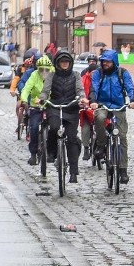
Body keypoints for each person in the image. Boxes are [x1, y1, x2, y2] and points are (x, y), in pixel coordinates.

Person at [89, 49, 134, 184]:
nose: (105, 64)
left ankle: (123, 169)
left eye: (108, 61)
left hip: (119, 106)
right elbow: (93, 88)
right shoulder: (98, 73)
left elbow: (130, 87)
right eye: (103, 61)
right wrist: (93, 101)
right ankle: (101, 144)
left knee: (121, 137)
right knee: (99, 118)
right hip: (103, 104)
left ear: (114, 62)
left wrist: (133, 100)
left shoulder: (122, 73)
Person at [38, 50, 86, 183]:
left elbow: (80, 89)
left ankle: (73, 172)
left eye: (67, 62)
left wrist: (82, 98)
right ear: (57, 63)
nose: (64, 64)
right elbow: (45, 90)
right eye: (62, 62)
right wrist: (42, 99)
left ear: (70, 63)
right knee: (53, 128)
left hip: (71, 108)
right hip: (55, 107)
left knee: (71, 139)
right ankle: (52, 152)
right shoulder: (52, 76)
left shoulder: (76, 75)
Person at [20, 56, 53, 165]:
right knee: (33, 128)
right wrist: (24, 99)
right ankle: (33, 154)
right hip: (36, 105)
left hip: (50, 105)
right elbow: (26, 89)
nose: (44, 72)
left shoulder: (54, 75)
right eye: (41, 69)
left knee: (55, 128)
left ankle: (52, 152)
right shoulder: (34, 75)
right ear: (37, 69)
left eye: (46, 69)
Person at [79, 56, 98, 160]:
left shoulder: (101, 79)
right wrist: (82, 101)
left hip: (98, 107)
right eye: (92, 73)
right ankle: (86, 148)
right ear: (88, 72)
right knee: (85, 128)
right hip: (86, 108)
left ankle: (101, 146)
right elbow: (80, 91)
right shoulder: (83, 79)